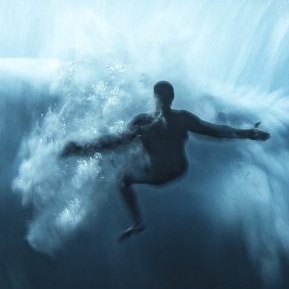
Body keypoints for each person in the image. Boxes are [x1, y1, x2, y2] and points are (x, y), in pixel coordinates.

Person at [61, 81, 270, 241]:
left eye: (165, 97)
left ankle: (137, 221)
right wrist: (81, 147)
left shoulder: (179, 120)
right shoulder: (146, 122)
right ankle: (137, 222)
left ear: (170, 98)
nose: (162, 100)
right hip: (164, 171)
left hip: (170, 171)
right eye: (160, 96)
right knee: (124, 162)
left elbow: (215, 131)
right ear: (157, 97)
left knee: (124, 173)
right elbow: (116, 142)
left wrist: (246, 133)